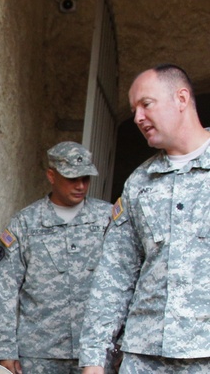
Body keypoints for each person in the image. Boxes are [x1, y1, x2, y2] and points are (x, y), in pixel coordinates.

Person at [79, 64, 210, 373]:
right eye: (133, 109)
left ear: (181, 98)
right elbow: (114, 276)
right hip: (144, 358)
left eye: (146, 104)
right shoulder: (140, 182)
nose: (137, 117)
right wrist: (94, 362)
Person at [0, 141, 113, 374]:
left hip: (94, 353)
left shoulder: (107, 219)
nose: (80, 186)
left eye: (85, 178)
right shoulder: (25, 223)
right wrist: (5, 350)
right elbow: (4, 290)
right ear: (51, 175)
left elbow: (125, 281)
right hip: (39, 353)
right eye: (72, 178)